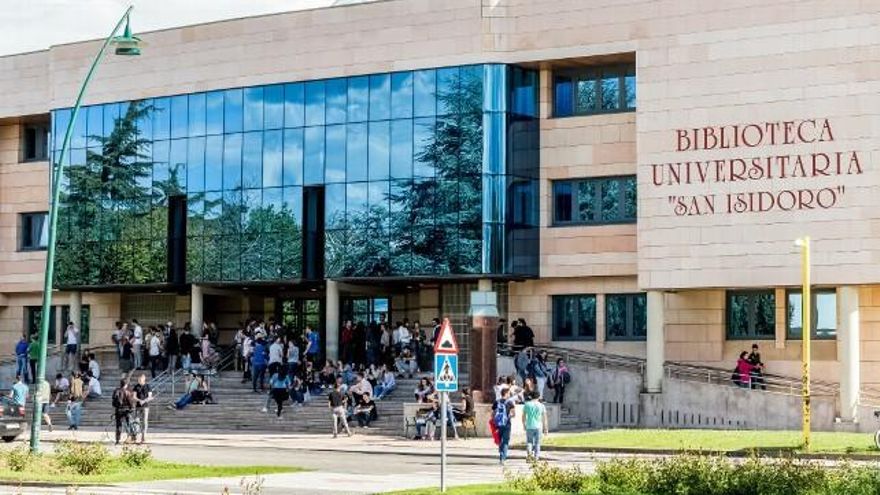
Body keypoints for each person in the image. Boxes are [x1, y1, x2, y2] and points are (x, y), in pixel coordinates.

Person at [522, 391, 548, 459]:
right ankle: (536, 457)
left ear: (531, 396)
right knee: (537, 443)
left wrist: (524, 425)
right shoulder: (541, 405)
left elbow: (524, 416)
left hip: (529, 425)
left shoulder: (527, 404)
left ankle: (529, 455)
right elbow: (544, 418)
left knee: (529, 442)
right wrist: (545, 428)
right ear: (539, 397)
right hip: (538, 426)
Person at [493, 386, 516, 464]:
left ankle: (501, 456)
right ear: (506, 393)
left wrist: (494, 421)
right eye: (509, 393)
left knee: (500, 441)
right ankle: (503, 458)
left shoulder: (496, 402)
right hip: (507, 424)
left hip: (498, 424)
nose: (510, 394)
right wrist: (508, 416)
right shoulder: (510, 402)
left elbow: (493, 413)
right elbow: (513, 414)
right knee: (505, 441)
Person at [111, 379, 134, 444]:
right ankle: (129, 438)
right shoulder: (127, 392)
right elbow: (130, 402)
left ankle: (117, 440)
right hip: (126, 410)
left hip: (118, 410)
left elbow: (113, 402)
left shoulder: (116, 391)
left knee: (118, 425)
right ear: (126, 384)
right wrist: (131, 408)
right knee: (128, 424)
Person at [132, 373, 153, 443]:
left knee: (144, 421)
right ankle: (136, 435)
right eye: (138, 380)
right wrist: (139, 400)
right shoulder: (136, 386)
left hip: (145, 406)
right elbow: (134, 396)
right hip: (138, 406)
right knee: (136, 421)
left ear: (144, 379)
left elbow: (150, 397)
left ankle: (143, 436)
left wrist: (144, 401)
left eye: (140, 380)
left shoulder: (148, 386)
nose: (139, 381)